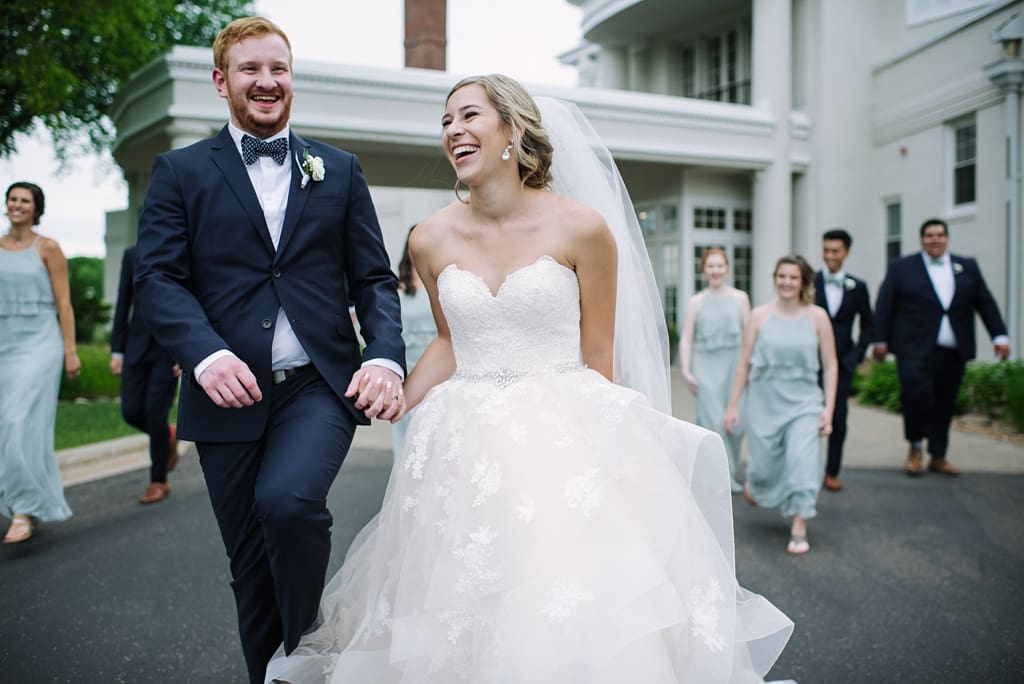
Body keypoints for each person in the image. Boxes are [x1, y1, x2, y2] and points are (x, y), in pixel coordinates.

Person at [265, 74, 792, 683]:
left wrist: (605, 460)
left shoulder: (583, 228)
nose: (453, 131)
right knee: (462, 605)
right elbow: (448, 340)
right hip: (462, 445)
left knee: (559, 600)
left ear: (513, 130)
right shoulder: (429, 238)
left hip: (560, 439)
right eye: (445, 122)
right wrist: (402, 397)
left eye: (468, 116)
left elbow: (600, 357)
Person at [132, 17, 405, 683]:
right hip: (224, 389)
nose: (266, 81)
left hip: (317, 383)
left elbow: (374, 278)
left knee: (288, 504)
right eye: (250, 69)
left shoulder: (337, 170)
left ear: (291, 77)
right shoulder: (180, 172)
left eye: (278, 68)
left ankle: (309, 636)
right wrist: (203, 354)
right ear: (222, 82)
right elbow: (157, 277)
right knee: (250, 569)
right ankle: (278, 675)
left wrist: (385, 355)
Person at [872, 218, 1009, 477]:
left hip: (952, 349)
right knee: (916, 396)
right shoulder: (902, 267)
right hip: (913, 349)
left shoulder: (967, 267)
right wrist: (880, 340)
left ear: (946, 238)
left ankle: (938, 454)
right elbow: (884, 305)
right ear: (922, 239)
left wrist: (999, 336)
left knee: (944, 402)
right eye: (929, 235)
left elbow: (985, 302)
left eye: (939, 235)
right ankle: (915, 446)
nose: (934, 239)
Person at [724, 255, 837, 555]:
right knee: (762, 468)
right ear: (775, 279)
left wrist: (829, 409)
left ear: (803, 283)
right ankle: (758, 484)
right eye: (782, 276)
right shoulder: (759, 317)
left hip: (805, 403)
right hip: (764, 401)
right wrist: (733, 405)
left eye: (793, 277)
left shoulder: (818, 317)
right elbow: (744, 363)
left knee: (803, 461)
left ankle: (799, 524)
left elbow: (831, 365)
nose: (787, 282)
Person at [0, 181, 78, 543]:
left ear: (36, 208)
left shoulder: (48, 248)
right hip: (5, 342)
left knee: (19, 422)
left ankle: (23, 508)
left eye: (25, 201)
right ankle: (19, 497)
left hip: (40, 343)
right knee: (10, 426)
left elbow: (64, 304)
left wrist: (70, 351)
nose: (17, 205)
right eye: (13, 199)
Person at [110, 245, 181, 504]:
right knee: (131, 411)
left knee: (154, 412)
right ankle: (168, 435)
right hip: (136, 346)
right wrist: (117, 350)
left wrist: (186, 351)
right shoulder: (131, 255)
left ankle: (158, 480)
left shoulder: (181, 250)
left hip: (168, 347)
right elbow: (123, 301)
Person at [679, 247, 750, 493]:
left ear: (727, 268)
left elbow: (749, 336)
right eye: (711, 266)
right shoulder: (695, 302)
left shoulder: (740, 298)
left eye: (720, 265)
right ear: (704, 270)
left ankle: (722, 469)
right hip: (705, 367)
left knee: (735, 424)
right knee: (712, 422)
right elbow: (687, 338)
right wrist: (686, 370)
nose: (716, 270)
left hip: (734, 366)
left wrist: (749, 369)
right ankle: (721, 477)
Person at [813, 229, 874, 492]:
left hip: (842, 363)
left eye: (835, 251)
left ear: (846, 253)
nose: (830, 256)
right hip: (810, 361)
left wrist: (855, 357)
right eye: (826, 250)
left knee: (838, 417)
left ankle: (832, 471)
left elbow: (869, 326)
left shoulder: (858, 287)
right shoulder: (809, 281)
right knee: (807, 416)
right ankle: (808, 469)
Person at [390, 225, 437, 463]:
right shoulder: (395, 290)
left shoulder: (441, 285)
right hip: (408, 365)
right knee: (408, 433)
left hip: (438, 366)